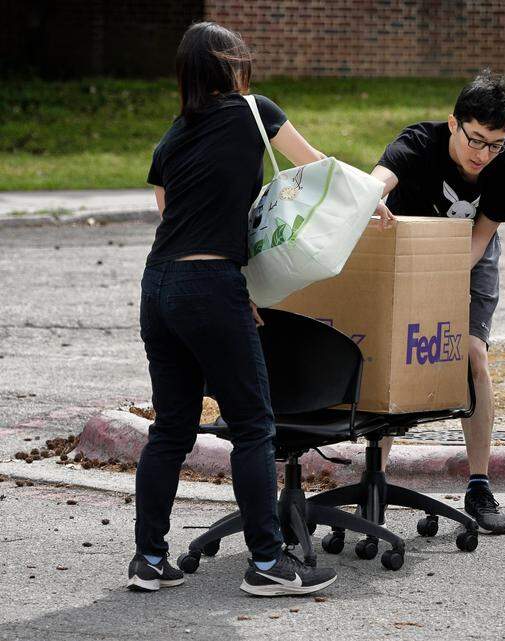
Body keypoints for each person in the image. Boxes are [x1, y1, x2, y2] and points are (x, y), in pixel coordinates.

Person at [131, 21, 337, 596]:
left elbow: (175, 220)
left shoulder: (169, 139)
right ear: (231, 68)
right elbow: (312, 169)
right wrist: (370, 199)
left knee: (170, 428)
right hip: (208, 285)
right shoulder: (255, 111)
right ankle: (269, 564)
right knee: (253, 427)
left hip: (159, 285)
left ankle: (148, 559)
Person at [370, 70, 505, 534]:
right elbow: (380, 177)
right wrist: (370, 196)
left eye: (494, 144)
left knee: (473, 355)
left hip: (466, 255)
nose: (483, 154)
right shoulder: (420, 142)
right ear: (453, 123)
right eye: (475, 140)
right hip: (403, 250)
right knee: (390, 357)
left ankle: (478, 484)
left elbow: (481, 240)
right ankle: (373, 481)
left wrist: (441, 283)